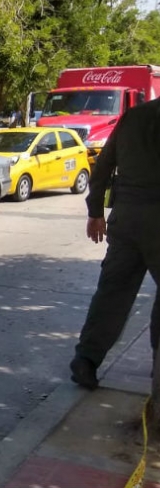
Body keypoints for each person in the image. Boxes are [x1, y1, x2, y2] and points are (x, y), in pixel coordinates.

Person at [70, 98, 160, 390]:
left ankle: (86, 360)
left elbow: (104, 165)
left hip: (127, 221)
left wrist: (95, 211)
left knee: (112, 294)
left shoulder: (133, 116)